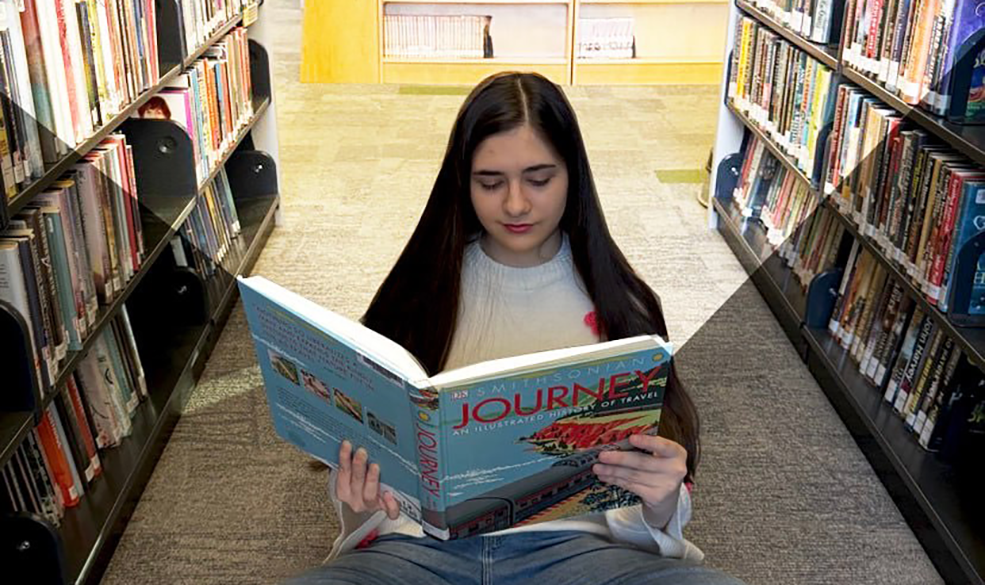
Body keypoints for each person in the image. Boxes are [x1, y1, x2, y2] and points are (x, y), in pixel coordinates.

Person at [285, 72, 743, 585]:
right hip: (419, 550)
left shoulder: (624, 306)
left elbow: (648, 506)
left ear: (573, 175)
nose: (516, 204)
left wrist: (662, 499)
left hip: (576, 551)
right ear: (462, 180)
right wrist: (358, 495)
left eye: (539, 179)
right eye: (490, 182)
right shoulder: (416, 296)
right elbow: (366, 474)